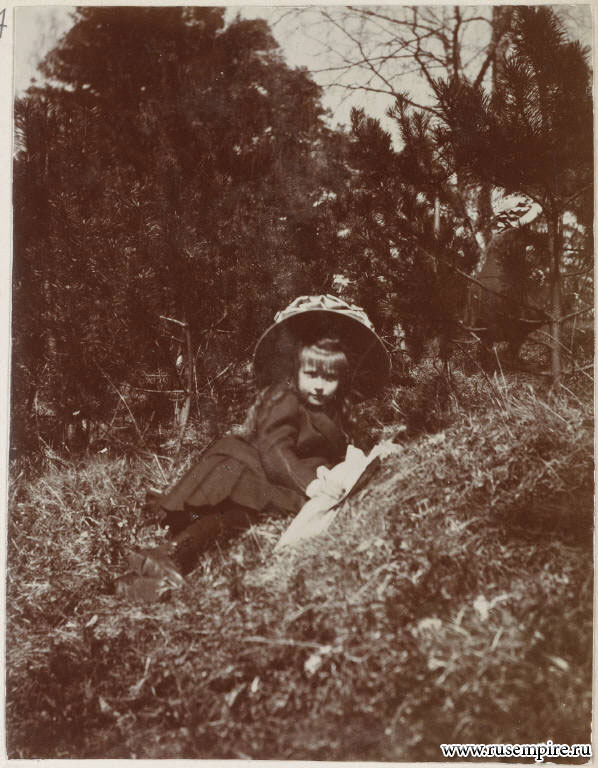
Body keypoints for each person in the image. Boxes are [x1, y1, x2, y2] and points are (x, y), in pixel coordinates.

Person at [115, 294, 389, 600]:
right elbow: (274, 448)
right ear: (295, 370)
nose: (319, 385)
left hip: (279, 481)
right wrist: (310, 484)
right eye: (311, 374)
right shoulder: (286, 400)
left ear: (343, 379)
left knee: (240, 518)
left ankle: (138, 581)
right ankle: (171, 553)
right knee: (236, 512)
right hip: (254, 467)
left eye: (330, 377)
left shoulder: (332, 412)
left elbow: (325, 452)